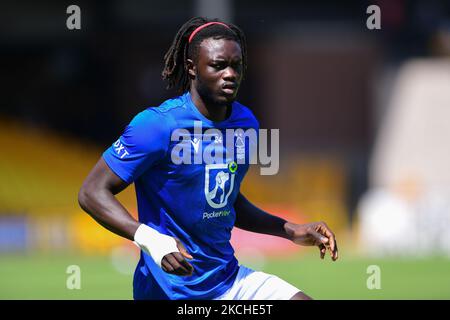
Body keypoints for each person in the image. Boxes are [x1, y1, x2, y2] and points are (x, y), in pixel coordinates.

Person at [78, 16, 338, 300]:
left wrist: (290, 230)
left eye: (236, 66)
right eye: (218, 65)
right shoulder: (156, 125)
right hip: (170, 291)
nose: (230, 74)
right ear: (192, 68)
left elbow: (227, 200)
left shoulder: (245, 124)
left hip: (230, 282)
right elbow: (92, 191)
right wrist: (150, 239)